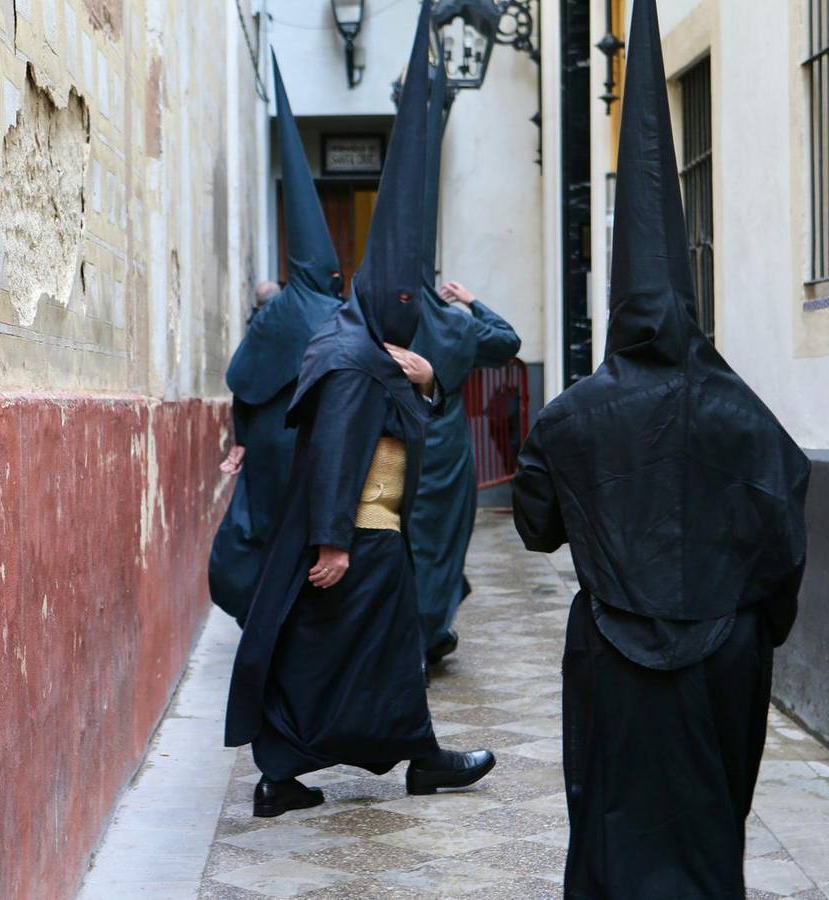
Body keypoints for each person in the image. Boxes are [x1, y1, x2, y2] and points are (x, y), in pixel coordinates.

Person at [510, 1, 811, 896]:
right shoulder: (743, 414)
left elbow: (534, 529)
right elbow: (783, 543)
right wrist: (753, 625)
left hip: (610, 653)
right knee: (709, 821)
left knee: (611, 821)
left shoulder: (570, 417)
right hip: (722, 655)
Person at [225, 2, 495, 819]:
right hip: (359, 533)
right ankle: (407, 757)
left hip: (362, 531)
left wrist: (423, 384)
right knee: (372, 652)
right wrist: (337, 542)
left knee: (358, 654)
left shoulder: (366, 346)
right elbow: (341, 440)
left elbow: (397, 414)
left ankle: (312, 769)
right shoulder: (350, 356)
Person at [207, 61, 345, 626]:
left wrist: (242, 437)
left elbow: (244, 375)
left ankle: (260, 617)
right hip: (310, 448)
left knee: (260, 534)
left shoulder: (279, 309)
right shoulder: (339, 313)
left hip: (267, 443)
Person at [410, 59, 521, 667]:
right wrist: (474, 301)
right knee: (440, 543)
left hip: (393, 456)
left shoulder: (365, 323)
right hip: (445, 453)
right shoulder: (454, 323)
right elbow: (506, 339)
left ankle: (425, 630)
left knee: (414, 546)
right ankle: (427, 634)